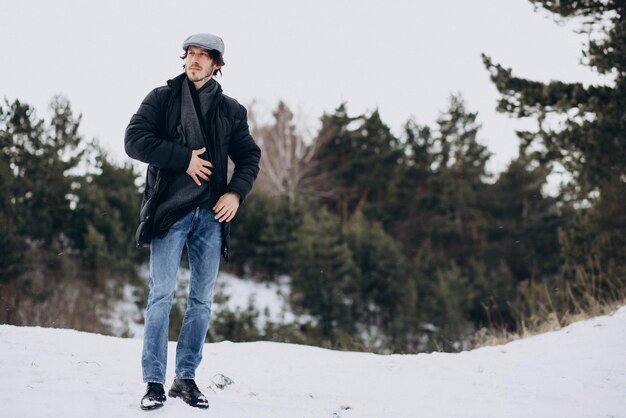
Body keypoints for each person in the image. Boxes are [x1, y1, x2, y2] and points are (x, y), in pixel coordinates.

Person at [124, 33, 261, 411]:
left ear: (218, 64)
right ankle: (153, 382)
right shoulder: (162, 99)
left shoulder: (231, 110)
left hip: (212, 216)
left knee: (201, 300)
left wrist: (235, 193)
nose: (195, 60)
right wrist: (184, 158)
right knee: (160, 296)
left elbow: (249, 157)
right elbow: (134, 141)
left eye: (204, 56)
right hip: (170, 212)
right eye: (190, 54)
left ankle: (185, 379)